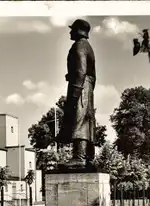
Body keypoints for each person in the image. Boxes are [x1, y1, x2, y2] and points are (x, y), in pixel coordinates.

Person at [56, 19, 97, 169]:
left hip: (80, 85)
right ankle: (89, 158)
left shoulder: (79, 46)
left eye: (72, 29)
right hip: (87, 86)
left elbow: (81, 70)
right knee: (87, 119)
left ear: (79, 30)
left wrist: (74, 94)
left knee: (78, 118)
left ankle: (79, 158)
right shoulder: (88, 47)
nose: (70, 32)